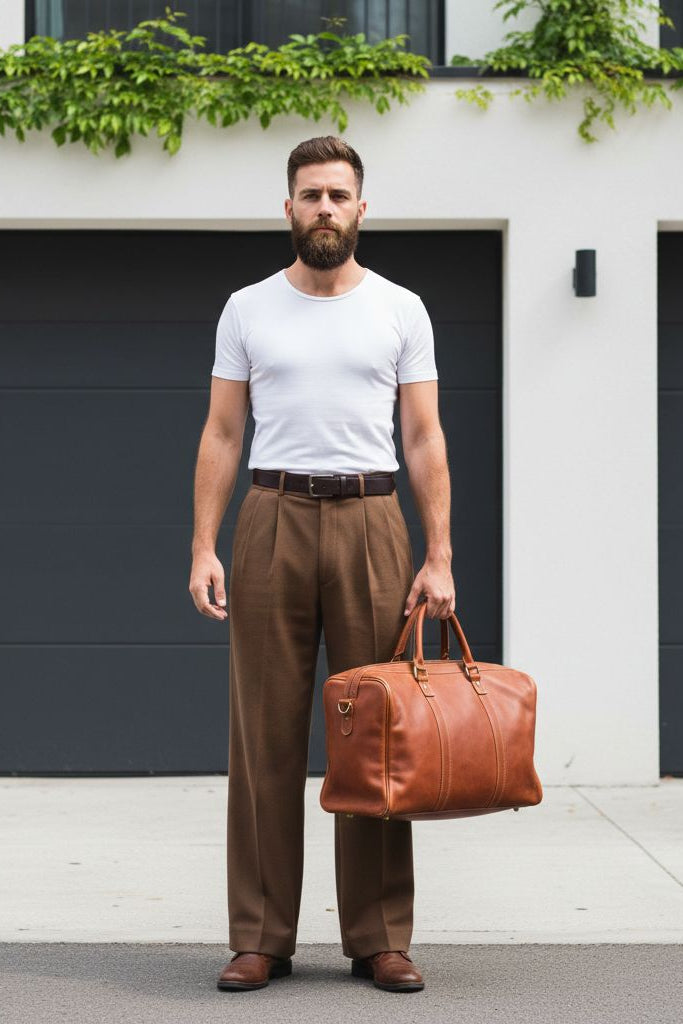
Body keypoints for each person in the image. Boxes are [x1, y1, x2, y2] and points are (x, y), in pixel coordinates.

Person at [188, 135, 455, 994]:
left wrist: (438, 553)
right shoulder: (247, 308)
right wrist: (203, 543)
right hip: (270, 518)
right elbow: (223, 432)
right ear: (289, 208)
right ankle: (260, 934)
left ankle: (378, 935)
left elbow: (422, 436)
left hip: (374, 519)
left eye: (339, 195)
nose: (326, 209)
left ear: (362, 208)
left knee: (376, 738)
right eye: (311, 195)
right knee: (262, 733)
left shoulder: (400, 309)